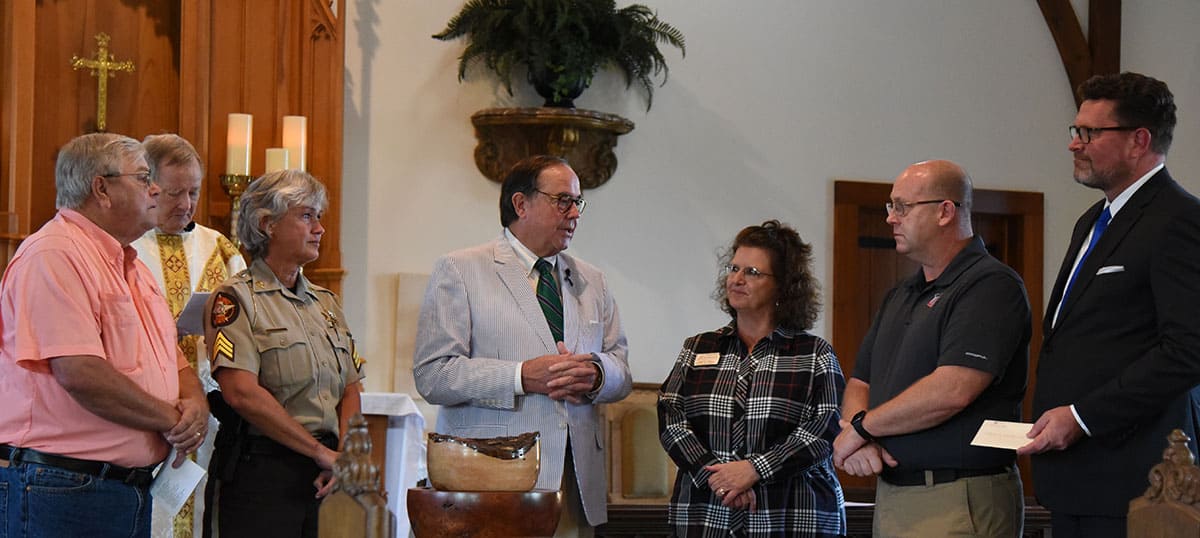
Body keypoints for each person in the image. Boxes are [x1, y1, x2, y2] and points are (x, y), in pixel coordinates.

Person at [1017, 72, 1200, 538]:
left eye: (1090, 133)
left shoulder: (1179, 220)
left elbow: (1187, 349)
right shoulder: (1092, 220)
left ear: (1138, 141)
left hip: (1133, 481)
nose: (1074, 145)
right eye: (1075, 131)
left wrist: (1081, 417)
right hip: (1075, 479)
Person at [0, 132, 209, 538]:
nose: (154, 189)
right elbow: (80, 372)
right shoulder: (55, 255)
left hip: (119, 488)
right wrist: (172, 420)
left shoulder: (130, 265)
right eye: (143, 177)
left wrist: (195, 405)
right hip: (61, 487)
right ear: (102, 188)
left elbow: (174, 359)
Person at [414, 155, 631, 536]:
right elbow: (434, 374)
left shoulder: (592, 280)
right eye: (563, 200)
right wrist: (520, 376)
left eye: (577, 202)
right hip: (489, 481)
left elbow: (622, 370)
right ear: (521, 204)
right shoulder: (461, 269)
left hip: (571, 480)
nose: (575, 213)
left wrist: (596, 374)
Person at [832, 160, 1031, 537]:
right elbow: (861, 381)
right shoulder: (900, 294)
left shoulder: (990, 286)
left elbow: (952, 390)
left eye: (902, 207)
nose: (891, 218)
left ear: (945, 211)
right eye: (891, 206)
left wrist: (861, 428)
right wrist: (859, 444)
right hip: (893, 494)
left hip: (957, 494)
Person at [658, 220, 846, 537]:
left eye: (752, 273)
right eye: (734, 269)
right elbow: (671, 418)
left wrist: (754, 470)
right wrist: (718, 478)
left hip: (792, 514)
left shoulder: (815, 354)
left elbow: (825, 427)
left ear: (784, 287)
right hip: (707, 512)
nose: (737, 279)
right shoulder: (698, 347)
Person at [202, 169, 363, 538]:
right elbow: (241, 392)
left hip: (326, 473)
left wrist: (342, 455)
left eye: (318, 217)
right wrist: (316, 452)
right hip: (264, 472)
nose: (319, 228)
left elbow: (351, 387)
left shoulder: (326, 303)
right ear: (267, 224)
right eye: (307, 216)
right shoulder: (236, 299)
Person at [131, 133, 245, 538]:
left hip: (209, 408)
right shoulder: (124, 246)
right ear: (149, 186)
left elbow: (248, 322)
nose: (186, 203)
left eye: (193, 191)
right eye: (175, 192)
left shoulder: (220, 248)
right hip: (142, 408)